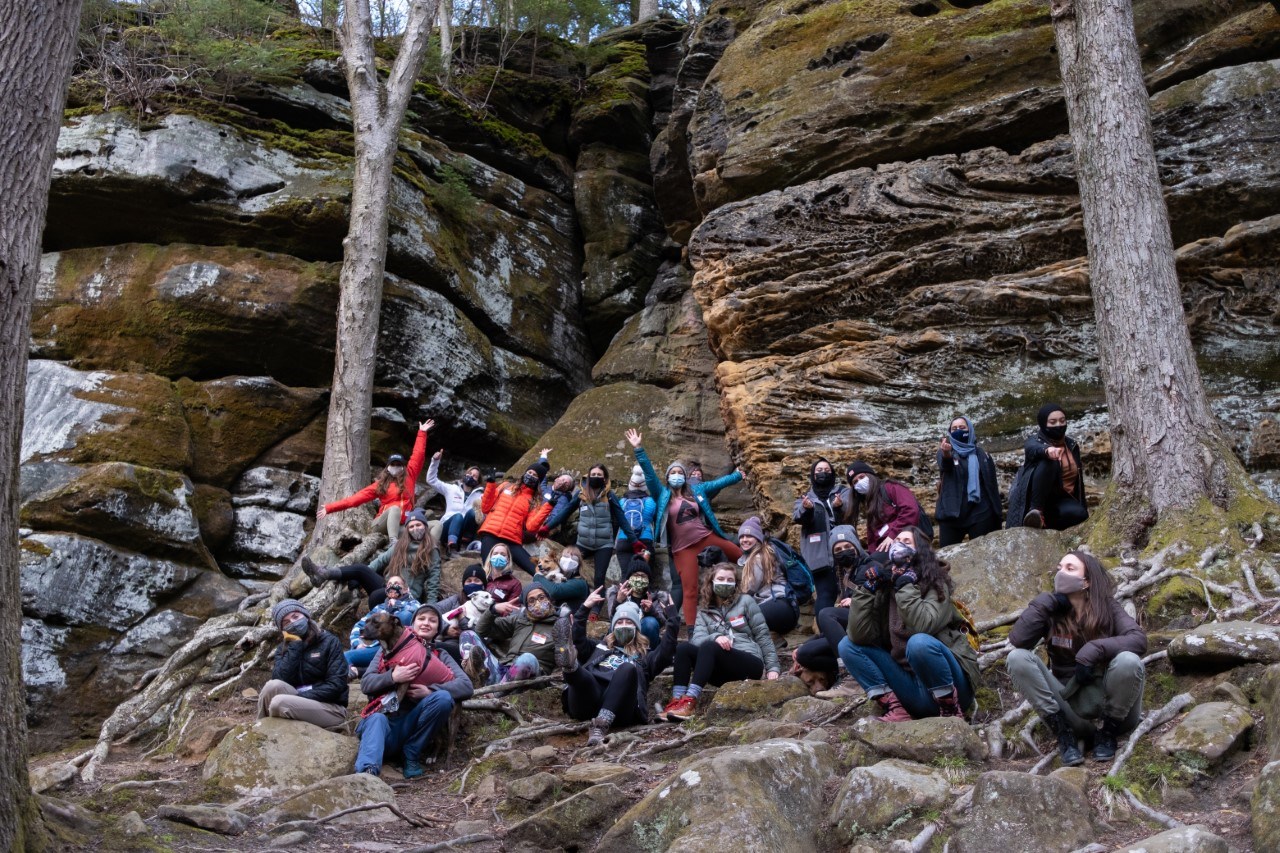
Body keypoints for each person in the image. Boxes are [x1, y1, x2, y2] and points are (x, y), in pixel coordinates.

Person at [1006, 551, 1147, 765]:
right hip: (1072, 711)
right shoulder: (1051, 611)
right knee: (1017, 658)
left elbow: (1138, 640)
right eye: (1059, 568)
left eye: (1070, 569)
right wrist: (1044, 603)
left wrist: (1095, 649)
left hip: (1117, 712)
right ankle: (1064, 735)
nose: (1061, 573)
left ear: (1087, 581)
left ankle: (1107, 733)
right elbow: (1018, 640)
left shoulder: (1108, 607)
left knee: (1128, 660)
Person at [838, 527, 979, 721]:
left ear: (919, 551)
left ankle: (951, 711)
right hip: (913, 691)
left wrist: (905, 586)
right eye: (896, 540)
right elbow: (858, 635)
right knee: (847, 645)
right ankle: (895, 708)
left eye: (906, 542)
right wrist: (867, 591)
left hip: (954, 687)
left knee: (918, 642)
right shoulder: (887, 587)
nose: (898, 545)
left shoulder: (936, 585)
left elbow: (923, 626)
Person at [626, 428, 744, 625]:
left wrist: (738, 475)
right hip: (683, 549)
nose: (677, 475)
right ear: (668, 477)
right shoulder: (662, 494)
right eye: (673, 473)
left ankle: (754, 596)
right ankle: (691, 631)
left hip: (706, 537)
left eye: (680, 472)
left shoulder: (696, 489)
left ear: (685, 476)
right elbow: (648, 473)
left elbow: (718, 483)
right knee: (689, 590)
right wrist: (639, 448)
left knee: (742, 557)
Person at [354, 612, 473, 779]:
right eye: (421, 619)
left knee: (443, 698)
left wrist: (430, 691)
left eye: (432, 621)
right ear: (409, 624)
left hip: (411, 726)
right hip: (383, 726)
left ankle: (411, 755)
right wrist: (393, 677)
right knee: (377, 719)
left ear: (438, 629)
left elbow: (466, 687)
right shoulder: (386, 651)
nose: (426, 623)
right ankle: (366, 775)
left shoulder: (440, 655)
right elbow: (366, 684)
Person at [556, 591, 681, 745]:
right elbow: (579, 638)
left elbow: (666, 651)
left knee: (627, 668)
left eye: (628, 623)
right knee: (583, 673)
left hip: (621, 709)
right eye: (619, 623)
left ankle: (600, 727)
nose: (623, 626)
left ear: (636, 628)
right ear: (613, 628)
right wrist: (584, 608)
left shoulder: (646, 657)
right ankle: (569, 665)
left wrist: (673, 618)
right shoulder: (598, 647)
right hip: (587, 701)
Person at [662, 562, 780, 721]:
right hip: (720, 670)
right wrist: (715, 637)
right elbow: (696, 639)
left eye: (729, 579)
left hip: (749, 663)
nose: (725, 582)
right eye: (721, 578)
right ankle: (677, 702)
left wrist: (773, 667)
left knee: (710, 647)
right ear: (711, 581)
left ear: (735, 583)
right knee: (684, 648)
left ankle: (690, 701)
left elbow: (763, 635)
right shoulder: (704, 611)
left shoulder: (746, 601)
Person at [317, 420, 432, 541]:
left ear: (403, 466)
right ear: (388, 467)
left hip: (403, 525)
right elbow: (354, 500)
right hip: (381, 525)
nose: (396, 467)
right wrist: (330, 508)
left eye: (399, 464)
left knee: (430, 527)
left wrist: (422, 432)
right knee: (394, 509)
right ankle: (393, 542)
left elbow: (418, 455)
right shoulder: (380, 485)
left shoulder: (410, 476)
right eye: (393, 464)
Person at [302, 509, 441, 606]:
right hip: (386, 585)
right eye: (411, 527)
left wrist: (431, 607)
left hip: (407, 595)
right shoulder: (400, 545)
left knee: (376, 596)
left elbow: (433, 581)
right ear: (407, 530)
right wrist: (359, 577)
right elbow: (380, 561)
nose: (415, 529)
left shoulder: (431, 550)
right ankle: (324, 574)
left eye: (418, 525)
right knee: (361, 569)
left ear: (425, 527)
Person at [541, 464, 641, 594]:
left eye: (599, 475)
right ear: (588, 477)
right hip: (583, 542)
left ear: (604, 478)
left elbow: (622, 519)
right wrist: (547, 527)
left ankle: (596, 608)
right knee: (567, 568)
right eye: (593, 475)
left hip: (604, 544)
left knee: (599, 578)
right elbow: (565, 512)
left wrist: (634, 541)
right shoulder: (581, 494)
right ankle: (569, 597)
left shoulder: (609, 496)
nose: (596, 477)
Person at [791, 525, 864, 696]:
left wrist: (859, 600)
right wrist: (806, 644)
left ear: (857, 547)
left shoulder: (868, 568)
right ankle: (842, 670)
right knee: (805, 654)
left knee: (826, 613)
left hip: (866, 630)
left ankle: (851, 676)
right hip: (847, 632)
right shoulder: (841, 574)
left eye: (847, 547)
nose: (843, 552)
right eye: (837, 549)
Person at [257, 600, 348, 731]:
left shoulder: (329, 641)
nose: (293, 623)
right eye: (286, 622)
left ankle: (268, 733)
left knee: (279, 703)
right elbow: (280, 679)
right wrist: (295, 646)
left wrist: (296, 698)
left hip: (331, 708)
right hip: (299, 700)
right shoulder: (283, 648)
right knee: (271, 686)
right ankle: (259, 731)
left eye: (296, 617)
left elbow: (336, 686)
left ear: (306, 616)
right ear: (282, 630)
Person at [459, 584, 560, 686]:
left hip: (531, 678)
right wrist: (493, 610)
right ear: (526, 606)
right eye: (532, 600)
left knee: (528, 659)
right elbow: (481, 630)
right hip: (503, 670)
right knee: (468, 634)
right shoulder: (520, 620)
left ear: (549, 599)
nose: (538, 603)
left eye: (541, 597)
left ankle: (495, 693)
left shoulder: (560, 626)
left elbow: (567, 657)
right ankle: (473, 670)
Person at [1009, 403, 1088, 531]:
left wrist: (1083, 506)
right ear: (1043, 424)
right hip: (1035, 499)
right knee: (1050, 461)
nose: (1058, 425)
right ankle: (1036, 513)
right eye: (1053, 422)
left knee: (1080, 514)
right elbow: (1032, 448)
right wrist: (1047, 450)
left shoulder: (1072, 445)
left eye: (1062, 421)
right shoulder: (1034, 441)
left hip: (1062, 499)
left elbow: (1079, 483)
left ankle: (1048, 525)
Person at [794, 457, 853, 615]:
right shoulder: (806, 497)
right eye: (819, 471)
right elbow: (798, 517)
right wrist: (808, 509)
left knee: (849, 591)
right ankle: (825, 629)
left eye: (827, 471)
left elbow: (850, 512)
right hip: (819, 555)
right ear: (813, 475)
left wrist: (840, 507)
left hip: (844, 548)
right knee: (826, 593)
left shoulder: (843, 491)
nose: (823, 473)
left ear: (832, 473)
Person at [477, 454, 554, 574]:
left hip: (512, 539)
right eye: (529, 472)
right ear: (524, 473)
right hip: (490, 532)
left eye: (535, 475)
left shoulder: (534, 501)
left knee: (535, 571)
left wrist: (549, 506)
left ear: (538, 481)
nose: (530, 476)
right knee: (488, 570)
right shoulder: (505, 486)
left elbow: (531, 527)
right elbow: (486, 507)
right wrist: (491, 484)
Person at [935, 416, 1004, 546]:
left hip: (979, 512)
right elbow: (946, 466)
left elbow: (991, 485)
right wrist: (946, 454)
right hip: (952, 513)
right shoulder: (945, 451)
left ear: (970, 430)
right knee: (946, 556)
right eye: (954, 429)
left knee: (982, 554)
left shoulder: (982, 454)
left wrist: (997, 513)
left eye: (962, 428)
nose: (958, 431)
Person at [736, 517, 799, 635]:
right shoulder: (766, 553)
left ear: (758, 538)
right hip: (787, 609)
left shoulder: (759, 557)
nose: (744, 539)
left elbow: (749, 588)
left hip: (778, 605)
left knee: (738, 622)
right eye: (742, 537)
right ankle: (774, 640)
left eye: (749, 536)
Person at [345, 576, 421, 672]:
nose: (393, 586)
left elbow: (417, 611)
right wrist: (357, 644)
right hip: (377, 648)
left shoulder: (413, 604)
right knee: (346, 656)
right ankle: (355, 672)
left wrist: (397, 604)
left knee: (405, 615)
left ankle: (363, 670)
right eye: (389, 584)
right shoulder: (379, 608)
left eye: (397, 584)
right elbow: (359, 625)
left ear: (406, 589)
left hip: (401, 648)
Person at [846, 463, 924, 552]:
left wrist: (893, 535)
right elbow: (872, 536)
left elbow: (910, 510)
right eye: (855, 482)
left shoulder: (891, 487)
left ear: (870, 475)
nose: (859, 482)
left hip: (904, 540)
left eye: (862, 477)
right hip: (884, 547)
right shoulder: (870, 503)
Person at [424, 449, 484, 554]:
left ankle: (465, 544)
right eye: (469, 473)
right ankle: (451, 546)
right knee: (458, 516)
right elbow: (431, 480)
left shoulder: (480, 495)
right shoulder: (452, 489)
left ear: (478, 481)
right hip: (446, 529)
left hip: (465, 532)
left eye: (475, 476)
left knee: (472, 512)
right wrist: (435, 461)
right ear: (465, 474)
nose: (471, 476)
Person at [604, 555, 666, 647]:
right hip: (622, 634)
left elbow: (661, 623)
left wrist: (650, 611)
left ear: (648, 580)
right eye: (636, 575)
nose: (639, 579)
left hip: (645, 637)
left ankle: (649, 656)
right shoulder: (617, 592)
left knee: (650, 622)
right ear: (629, 578)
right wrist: (618, 601)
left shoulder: (654, 597)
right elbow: (612, 618)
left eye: (643, 576)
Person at [615, 465, 657, 568]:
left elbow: (616, 521)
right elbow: (655, 520)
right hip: (645, 540)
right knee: (643, 574)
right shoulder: (651, 501)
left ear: (630, 484)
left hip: (623, 539)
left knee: (625, 575)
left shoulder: (622, 501)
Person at [528, 544, 591, 610]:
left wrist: (537, 575)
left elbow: (554, 592)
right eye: (566, 556)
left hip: (572, 618)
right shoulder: (558, 576)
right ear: (559, 559)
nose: (569, 560)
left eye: (574, 558)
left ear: (578, 563)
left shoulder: (580, 583)